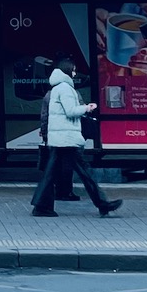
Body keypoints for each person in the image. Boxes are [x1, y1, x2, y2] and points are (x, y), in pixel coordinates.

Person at [30, 58, 123, 218]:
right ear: (67, 71)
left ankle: (41, 206)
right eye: (73, 70)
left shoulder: (57, 88)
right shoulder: (66, 88)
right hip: (66, 138)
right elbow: (71, 111)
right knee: (84, 172)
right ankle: (102, 204)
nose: (74, 73)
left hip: (61, 138)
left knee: (51, 173)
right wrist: (87, 107)